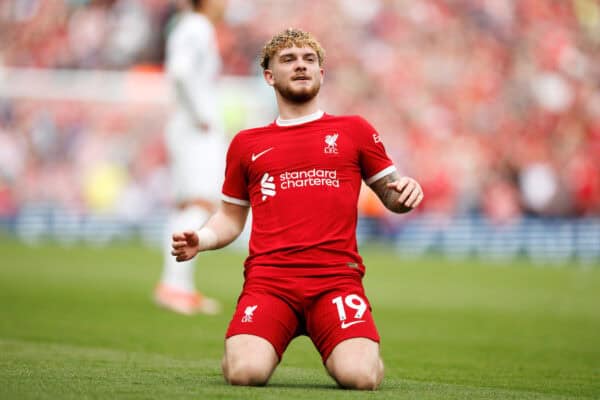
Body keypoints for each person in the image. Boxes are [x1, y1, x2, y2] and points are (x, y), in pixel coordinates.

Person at [171, 28, 424, 389]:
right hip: (270, 283)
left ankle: (353, 348)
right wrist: (203, 238)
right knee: (245, 373)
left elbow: (392, 195)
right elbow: (230, 217)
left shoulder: (354, 130)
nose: (301, 66)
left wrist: (406, 193)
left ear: (322, 72)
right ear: (269, 76)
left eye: (309, 59)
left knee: (361, 377)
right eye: (289, 59)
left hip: (335, 282)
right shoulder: (246, 144)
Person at [154, 0, 228, 315]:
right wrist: (201, 115)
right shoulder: (197, 27)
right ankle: (174, 286)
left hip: (186, 125)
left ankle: (178, 285)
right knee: (201, 204)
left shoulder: (189, 26)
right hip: (195, 127)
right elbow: (181, 72)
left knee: (189, 205)